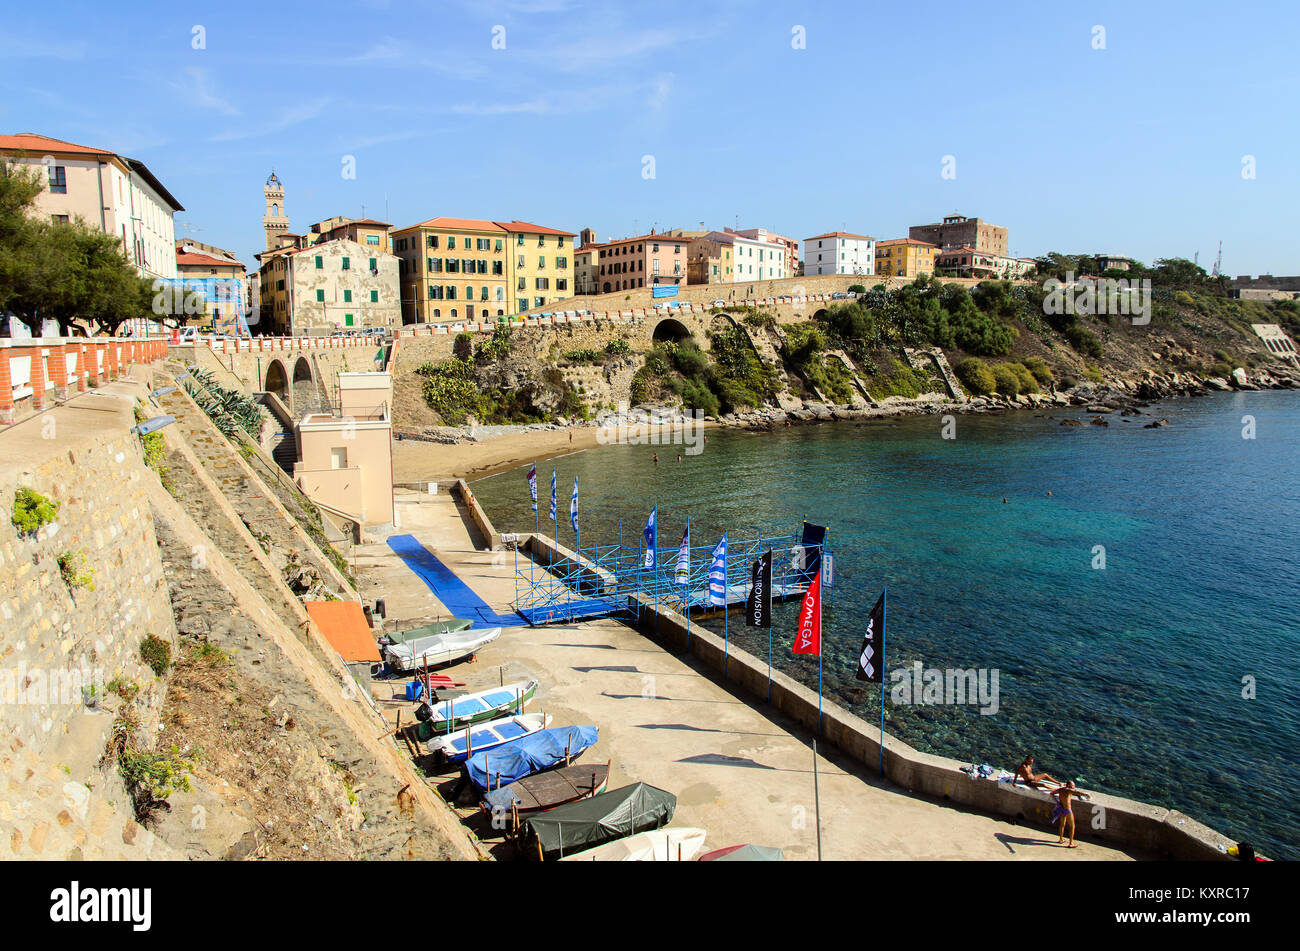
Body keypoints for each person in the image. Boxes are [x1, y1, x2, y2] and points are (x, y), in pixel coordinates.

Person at [1049, 781, 1091, 848]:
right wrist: (1086, 794)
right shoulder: (1068, 790)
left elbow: (1051, 793)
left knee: (1062, 825)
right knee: (1072, 826)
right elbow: (1077, 792)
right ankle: (1071, 843)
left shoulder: (1061, 789)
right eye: (1072, 785)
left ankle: (1061, 839)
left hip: (1061, 808)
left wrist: (1057, 802)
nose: (1074, 787)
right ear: (1068, 785)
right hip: (1067, 810)